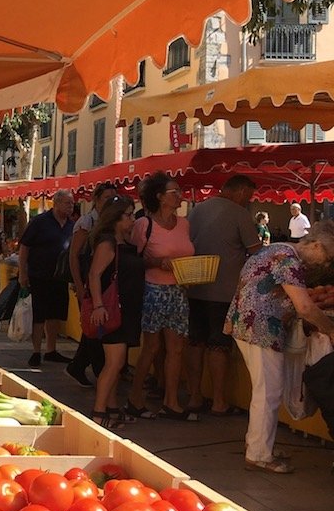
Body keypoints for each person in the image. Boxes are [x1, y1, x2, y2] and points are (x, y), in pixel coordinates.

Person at [225, 220, 334, 473]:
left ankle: (259, 445)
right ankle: (259, 455)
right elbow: (305, 307)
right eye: (327, 257)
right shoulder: (288, 259)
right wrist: (329, 328)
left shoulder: (276, 249)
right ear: (316, 245)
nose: (326, 264)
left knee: (265, 390)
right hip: (261, 328)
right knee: (269, 392)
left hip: (248, 324)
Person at [185, 175, 262, 417]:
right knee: (219, 346)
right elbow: (257, 252)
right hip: (223, 291)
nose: (248, 201)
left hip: (195, 287)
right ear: (239, 192)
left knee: (195, 343)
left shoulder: (197, 210)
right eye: (248, 196)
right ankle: (219, 401)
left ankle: (195, 396)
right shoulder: (239, 214)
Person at [126, 173, 196, 420]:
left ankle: (171, 401)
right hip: (153, 290)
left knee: (176, 349)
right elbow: (133, 260)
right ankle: (135, 398)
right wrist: (156, 262)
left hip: (179, 290)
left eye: (179, 191)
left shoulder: (185, 224)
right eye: (174, 192)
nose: (179, 196)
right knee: (152, 348)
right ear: (159, 197)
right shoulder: (145, 225)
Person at [86, 196, 145, 429]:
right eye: (128, 215)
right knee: (113, 363)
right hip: (113, 310)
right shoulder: (107, 243)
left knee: (118, 364)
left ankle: (110, 408)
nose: (132, 219)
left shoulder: (124, 242)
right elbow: (94, 275)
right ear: (116, 218)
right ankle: (98, 412)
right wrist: (99, 305)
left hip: (127, 309)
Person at [66, 182, 118, 387]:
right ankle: (97, 369)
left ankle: (78, 365)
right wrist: (79, 285)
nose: (111, 202)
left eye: (114, 197)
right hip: (89, 285)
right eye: (106, 198)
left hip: (106, 286)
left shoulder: (111, 222)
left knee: (96, 329)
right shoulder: (87, 222)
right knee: (94, 329)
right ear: (96, 200)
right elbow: (74, 256)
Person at [18, 189, 75, 367]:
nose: (71, 206)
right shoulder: (40, 222)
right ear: (56, 203)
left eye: (72, 203)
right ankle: (36, 351)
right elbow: (24, 247)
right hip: (39, 275)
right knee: (39, 314)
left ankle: (51, 349)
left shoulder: (71, 225)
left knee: (55, 314)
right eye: (68, 203)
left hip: (60, 277)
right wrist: (23, 272)